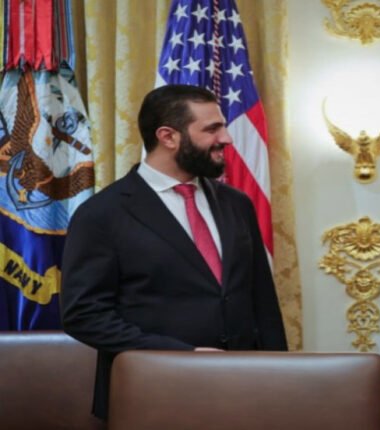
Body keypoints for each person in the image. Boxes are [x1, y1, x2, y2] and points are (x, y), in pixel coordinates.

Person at [60, 84, 287, 420]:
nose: (226, 139)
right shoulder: (102, 213)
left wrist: (279, 378)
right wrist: (181, 354)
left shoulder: (236, 204)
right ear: (168, 137)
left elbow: (262, 302)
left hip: (243, 390)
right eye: (212, 129)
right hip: (151, 392)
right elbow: (83, 315)